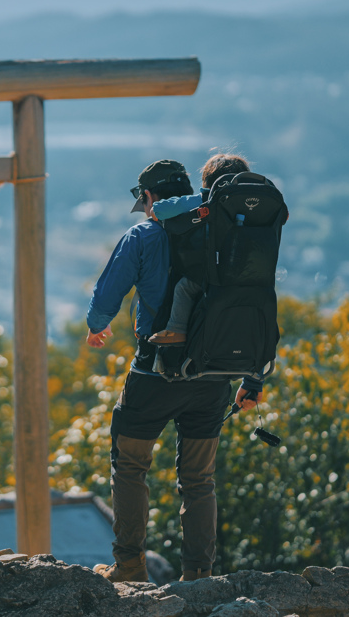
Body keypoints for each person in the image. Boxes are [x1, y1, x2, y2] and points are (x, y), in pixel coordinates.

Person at [86, 158, 263, 583]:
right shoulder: (227, 235)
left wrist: (97, 327)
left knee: (129, 466)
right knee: (199, 478)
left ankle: (129, 567)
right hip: (214, 376)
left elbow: (105, 300)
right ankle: (198, 575)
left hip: (154, 374)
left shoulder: (143, 235)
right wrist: (253, 378)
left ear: (148, 197)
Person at [147, 154, 254, 347]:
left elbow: (158, 211)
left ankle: (176, 331)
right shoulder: (252, 207)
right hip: (247, 277)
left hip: (212, 274)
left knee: (184, 288)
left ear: (207, 184)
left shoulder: (204, 200)